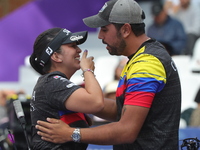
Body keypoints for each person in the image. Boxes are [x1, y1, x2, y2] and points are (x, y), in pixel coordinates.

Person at [35, 0, 181, 149]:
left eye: (104, 29)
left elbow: (126, 131)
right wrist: (78, 102)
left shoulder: (147, 64)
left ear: (125, 30)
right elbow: (122, 110)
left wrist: (71, 133)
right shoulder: (139, 58)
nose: (99, 36)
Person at [29, 27, 104, 150]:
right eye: (73, 46)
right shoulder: (53, 83)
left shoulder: (51, 83)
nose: (79, 50)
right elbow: (97, 103)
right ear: (56, 56)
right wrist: (87, 70)